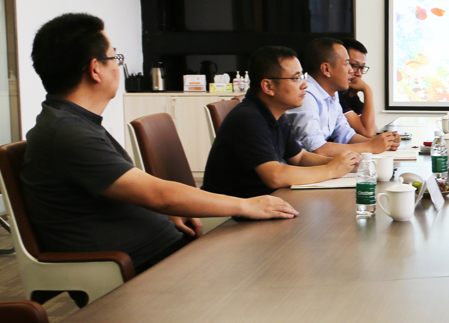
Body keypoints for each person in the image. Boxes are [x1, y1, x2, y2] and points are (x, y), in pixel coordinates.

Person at [20, 14, 298, 276]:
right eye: (115, 57)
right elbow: (158, 194)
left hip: (166, 247)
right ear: (96, 69)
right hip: (144, 264)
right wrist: (246, 205)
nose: (117, 66)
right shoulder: (68, 133)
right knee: (276, 264)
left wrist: (165, 213)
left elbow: (138, 193)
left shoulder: (74, 124)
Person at [202, 46, 360, 198]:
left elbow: (299, 157)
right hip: (231, 210)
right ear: (268, 86)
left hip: (264, 202)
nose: (304, 85)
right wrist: (330, 170)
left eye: (302, 77)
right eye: (296, 78)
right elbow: (274, 176)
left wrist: (343, 164)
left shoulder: (275, 114)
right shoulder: (248, 118)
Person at [285, 38, 400, 156]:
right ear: (326, 69)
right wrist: (370, 146)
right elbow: (318, 148)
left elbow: (346, 135)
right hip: (299, 165)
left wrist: (381, 142)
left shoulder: (332, 94)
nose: (351, 71)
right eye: (346, 64)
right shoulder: (306, 95)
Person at [340, 38, 378, 138]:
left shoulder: (349, 95)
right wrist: (367, 90)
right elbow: (367, 132)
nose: (359, 74)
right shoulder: (336, 95)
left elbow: (373, 129)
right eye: (354, 66)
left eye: (362, 68)